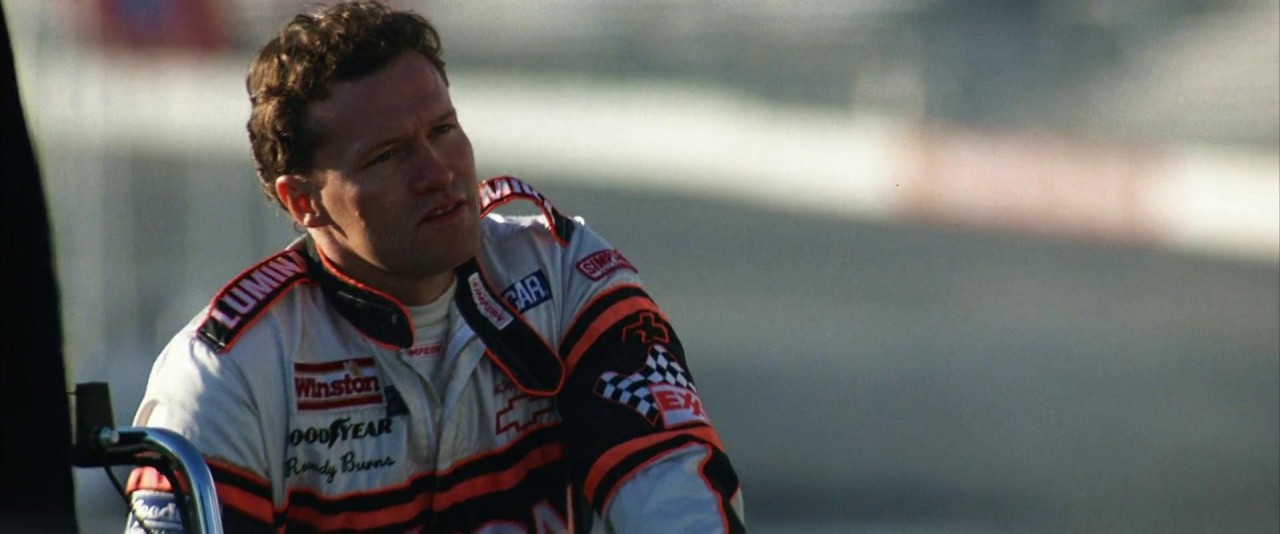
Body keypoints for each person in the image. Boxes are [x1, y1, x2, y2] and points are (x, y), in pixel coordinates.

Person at [124, 1, 745, 532]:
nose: (437, 172)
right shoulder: (228, 375)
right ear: (303, 201)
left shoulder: (564, 273)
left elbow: (675, 492)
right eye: (388, 156)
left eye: (443, 129)